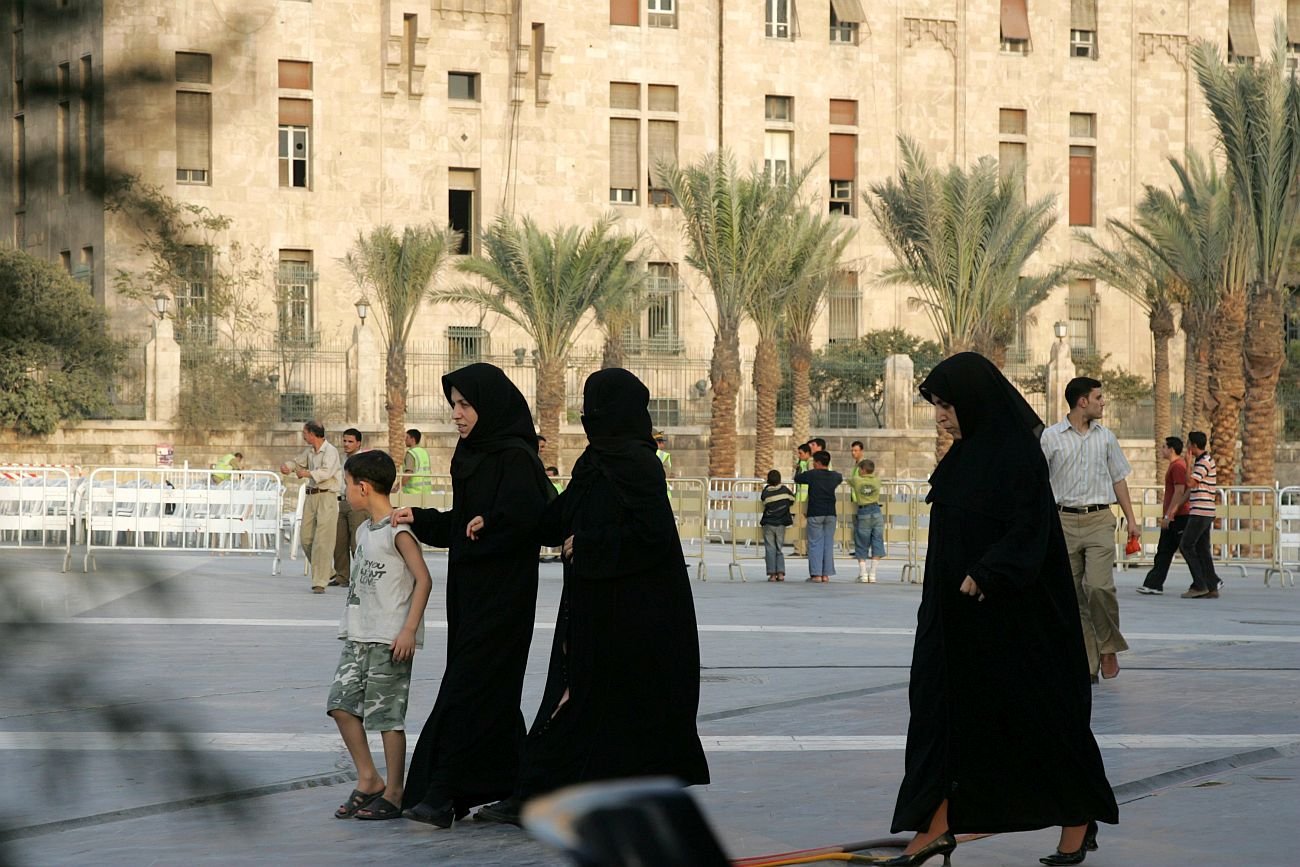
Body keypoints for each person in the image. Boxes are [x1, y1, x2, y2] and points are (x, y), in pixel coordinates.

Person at [885, 352, 1117, 867]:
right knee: (943, 716)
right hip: (956, 621)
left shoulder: (1016, 455)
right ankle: (938, 821)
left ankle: (1077, 818)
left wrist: (988, 572)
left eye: (949, 404)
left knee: (1037, 721)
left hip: (1016, 623)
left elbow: (1031, 529)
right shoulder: (964, 456)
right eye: (937, 405)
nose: (941, 415)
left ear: (976, 401)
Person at [474, 368, 709, 826]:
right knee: (572, 697)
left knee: (600, 704)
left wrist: (592, 542)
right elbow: (557, 518)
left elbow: (653, 537)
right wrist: (501, 519)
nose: (586, 414)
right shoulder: (594, 460)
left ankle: (548, 797)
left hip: (636, 616)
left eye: (594, 405)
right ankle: (540, 795)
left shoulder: (641, 464)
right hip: (591, 607)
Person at [393, 363, 554, 828]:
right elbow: (462, 526)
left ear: (489, 406)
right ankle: (519, 790)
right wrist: (419, 518)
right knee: (492, 693)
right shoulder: (471, 454)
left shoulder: (516, 457)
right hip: (469, 594)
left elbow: (532, 518)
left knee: (468, 688)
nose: (457, 415)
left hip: (504, 595)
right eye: (454, 405)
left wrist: (494, 523)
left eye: (465, 405)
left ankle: (443, 792)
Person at [327, 450, 433, 821]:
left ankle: (395, 790)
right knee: (341, 705)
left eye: (347, 484)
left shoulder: (397, 530)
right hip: (359, 634)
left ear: (364, 487)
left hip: (389, 639)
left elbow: (424, 579)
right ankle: (368, 778)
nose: (346, 492)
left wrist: (408, 630)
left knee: (387, 717)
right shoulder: (362, 530)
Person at [1040, 377, 1139, 682]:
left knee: (1098, 587)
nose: (1103, 402)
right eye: (1098, 397)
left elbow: (1118, 479)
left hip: (1099, 520)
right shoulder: (1050, 437)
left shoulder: (1106, 438)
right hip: (1063, 522)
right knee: (1072, 597)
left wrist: (1131, 519)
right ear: (1082, 401)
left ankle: (1108, 645)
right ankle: (1087, 660)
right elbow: (1039, 483)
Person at [280, 421, 341, 594]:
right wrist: (288, 466)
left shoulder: (331, 452)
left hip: (327, 497)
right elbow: (298, 463)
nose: (304, 436)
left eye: (305, 433)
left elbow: (326, 472)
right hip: (311, 497)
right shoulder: (310, 452)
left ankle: (319, 582)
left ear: (312, 434)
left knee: (323, 540)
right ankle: (327, 572)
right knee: (306, 538)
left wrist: (307, 474)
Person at [1137, 436, 1189, 596]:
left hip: (1178, 517)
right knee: (1164, 552)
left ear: (1172, 449)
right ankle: (1153, 584)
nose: (1161, 450)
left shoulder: (1178, 466)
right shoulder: (1175, 466)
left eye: (1164, 447)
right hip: (1174, 516)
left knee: (1188, 551)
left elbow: (1180, 491)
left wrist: (1169, 515)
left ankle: (1208, 581)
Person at [1179, 431, 1221, 599]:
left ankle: (1199, 584)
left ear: (1194, 446)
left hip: (1201, 511)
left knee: (1186, 545)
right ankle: (1212, 585)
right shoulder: (1203, 461)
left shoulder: (1203, 462)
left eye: (1189, 444)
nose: (1187, 447)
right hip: (1203, 511)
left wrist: (1187, 464)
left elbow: (1190, 483)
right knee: (1202, 549)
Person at [793, 451, 842, 583]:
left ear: (819, 463)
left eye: (814, 461)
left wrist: (799, 467)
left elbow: (797, 479)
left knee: (815, 543)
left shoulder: (812, 474)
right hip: (830, 513)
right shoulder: (835, 476)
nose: (813, 463)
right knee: (828, 544)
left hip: (815, 512)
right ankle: (826, 574)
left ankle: (816, 574)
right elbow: (839, 477)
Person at [332, 429, 367, 588]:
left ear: (358, 443)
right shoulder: (341, 459)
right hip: (340, 501)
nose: (346, 444)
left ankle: (360, 575)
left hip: (356, 504)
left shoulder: (362, 460)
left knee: (356, 541)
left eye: (350, 441)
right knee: (339, 540)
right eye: (344, 441)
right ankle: (342, 575)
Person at [851, 458, 886, 583]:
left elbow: (850, 478)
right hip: (876, 511)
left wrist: (856, 468)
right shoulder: (877, 480)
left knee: (861, 542)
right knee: (877, 541)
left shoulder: (856, 480)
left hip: (863, 512)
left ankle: (863, 573)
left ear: (862, 470)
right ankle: (873, 573)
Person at [760, 469, 795, 581]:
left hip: (769, 523)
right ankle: (780, 573)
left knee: (770, 548)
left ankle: (772, 574)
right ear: (780, 480)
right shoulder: (785, 490)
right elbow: (792, 499)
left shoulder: (766, 492)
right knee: (779, 548)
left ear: (768, 481)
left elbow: (764, 502)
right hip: (781, 523)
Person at [792, 443, 813, 557]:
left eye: (801, 453)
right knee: (798, 525)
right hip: (799, 499)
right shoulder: (800, 464)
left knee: (802, 526)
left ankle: (802, 550)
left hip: (806, 499)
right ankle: (800, 549)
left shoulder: (809, 464)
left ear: (807, 453)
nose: (799, 455)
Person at [401, 429, 432, 495]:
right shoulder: (424, 452)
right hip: (426, 493)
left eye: (407, 437)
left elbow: (408, 473)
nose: (405, 440)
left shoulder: (411, 453)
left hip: (413, 493)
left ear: (413, 439)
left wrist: (398, 487)